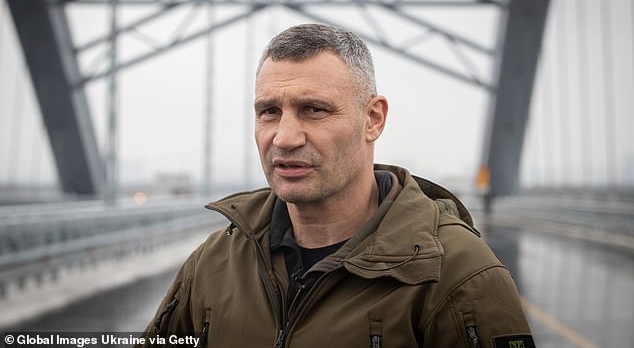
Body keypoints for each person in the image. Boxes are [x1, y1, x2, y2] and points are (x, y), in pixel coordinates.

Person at [140, 24, 535, 348]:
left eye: (314, 110)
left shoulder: (457, 275)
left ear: (373, 119)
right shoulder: (214, 264)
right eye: (269, 112)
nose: (284, 137)